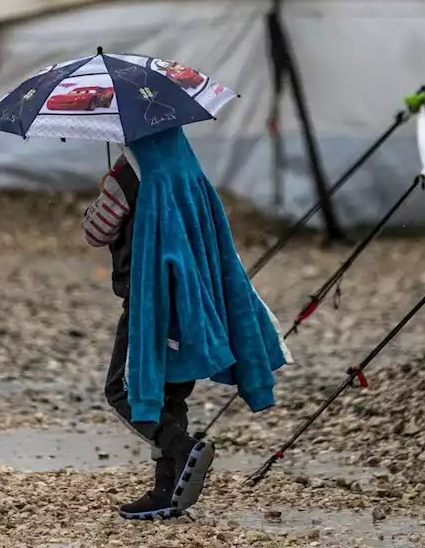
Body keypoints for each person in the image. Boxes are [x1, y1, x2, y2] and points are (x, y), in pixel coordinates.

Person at [83, 129, 290, 520]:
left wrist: (105, 192)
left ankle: (182, 448)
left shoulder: (126, 178)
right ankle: (167, 491)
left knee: (123, 389)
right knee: (171, 396)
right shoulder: (186, 169)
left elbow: (96, 232)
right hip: (191, 300)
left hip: (149, 305)